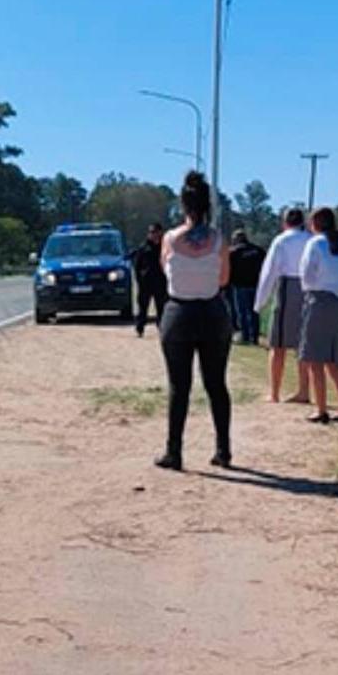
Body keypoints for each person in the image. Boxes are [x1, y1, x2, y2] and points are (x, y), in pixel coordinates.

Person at [157, 172, 234, 471]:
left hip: (179, 315)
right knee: (216, 384)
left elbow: (167, 272)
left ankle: (174, 451)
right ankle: (223, 450)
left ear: (183, 206)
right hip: (213, 314)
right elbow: (224, 278)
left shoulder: (170, 239)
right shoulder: (219, 241)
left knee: (179, 386)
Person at [296, 207, 338, 425]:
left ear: (315, 224)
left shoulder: (315, 244)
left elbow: (306, 275)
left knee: (315, 359)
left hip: (319, 301)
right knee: (334, 360)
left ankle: (321, 409)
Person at [255, 207, 313, 404]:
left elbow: (269, 272)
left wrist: (260, 301)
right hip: (309, 289)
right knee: (303, 345)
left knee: (278, 344)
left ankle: (274, 392)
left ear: (285, 222)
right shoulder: (310, 239)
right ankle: (304, 390)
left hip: (288, 286)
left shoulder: (281, 240)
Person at [129, 223, 169, 338]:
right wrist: (139, 280)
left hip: (161, 283)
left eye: (155, 232)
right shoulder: (143, 248)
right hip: (146, 283)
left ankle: (162, 329)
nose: (153, 234)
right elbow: (137, 266)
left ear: (161, 233)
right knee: (143, 308)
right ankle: (140, 328)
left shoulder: (165, 247)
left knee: (161, 307)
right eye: (151, 232)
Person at [227, 229, 266, 345]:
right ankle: (254, 337)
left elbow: (228, 269)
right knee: (254, 312)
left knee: (242, 312)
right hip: (256, 285)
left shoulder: (233, 252)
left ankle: (245, 336)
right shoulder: (258, 250)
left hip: (240, 286)